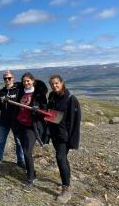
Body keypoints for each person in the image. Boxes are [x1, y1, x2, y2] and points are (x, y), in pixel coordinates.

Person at [47, 75, 81, 204]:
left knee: (60, 158)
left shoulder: (71, 98)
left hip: (64, 136)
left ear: (62, 83)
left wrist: (72, 139)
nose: (54, 86)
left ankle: (66, 189)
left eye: (56, 83)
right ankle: (67, 180)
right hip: (55, 134)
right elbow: (49, 113)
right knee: (63, 158)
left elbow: (75, 121)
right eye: (52, 84)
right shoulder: (52, 96)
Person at [16, 72, 49, 192]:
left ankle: (30, 179)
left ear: (33, 81)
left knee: (27, 151)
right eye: (24, 81)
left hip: (32, 127)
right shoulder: (21, 91)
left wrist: (38, 109)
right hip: (21, 125)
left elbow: (45, 109)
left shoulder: (39, 94)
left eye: (28, 81)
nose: (26, 83)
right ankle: (32, 172)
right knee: (25, 150)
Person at [0, 70, 25, 171]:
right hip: (3, 122)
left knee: (18, 142)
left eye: (9, 78)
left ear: (13, 78)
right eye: (5, 78)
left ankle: (20, 161)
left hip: (16, 121)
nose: (7, 80)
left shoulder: (19, 90)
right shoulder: (1, 92)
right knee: (1, 142)